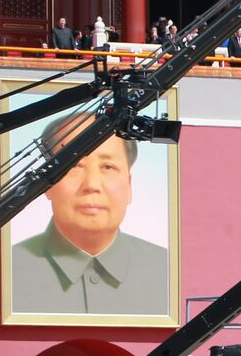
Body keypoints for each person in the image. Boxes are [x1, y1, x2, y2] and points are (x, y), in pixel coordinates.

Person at [11, 115, 169, 316]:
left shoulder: (164, 271)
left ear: (129, 186)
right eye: (74, 165)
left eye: (108, 167)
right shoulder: (12, 269)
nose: (92, 185)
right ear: (46, 185)